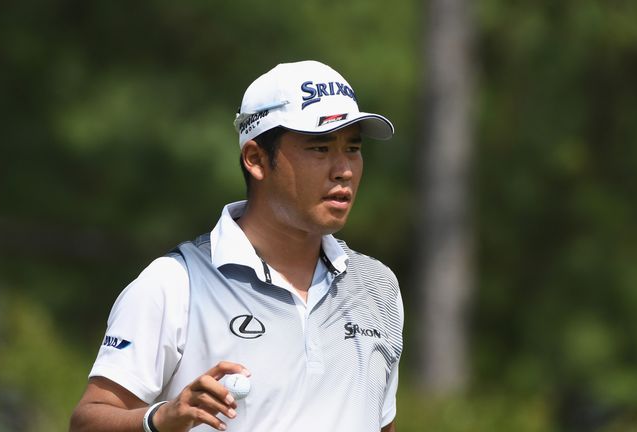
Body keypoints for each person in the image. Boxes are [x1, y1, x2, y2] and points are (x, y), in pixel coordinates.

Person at [70, 60, 404, 432]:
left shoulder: (379, 287)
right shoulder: (175, 282)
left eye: (353, 148)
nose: (344, 169)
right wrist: (160, 418)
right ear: (256, 159)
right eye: (320, 148)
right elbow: (87, 422)